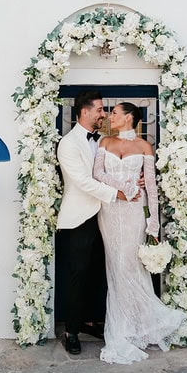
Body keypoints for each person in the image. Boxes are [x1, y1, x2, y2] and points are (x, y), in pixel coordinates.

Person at [92, 102, 186, 364]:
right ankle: (122, 328)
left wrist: (153, 224)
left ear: (129, 117)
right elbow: (97, 173)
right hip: (110, 210)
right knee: (116, 264)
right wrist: (124, 186)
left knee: (130, 264)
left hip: (135, 211)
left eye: (115, 113)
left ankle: (139, 324)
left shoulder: (144, 147)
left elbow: (152, 189)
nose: (111, 116)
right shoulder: (105, 143)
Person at [56, 90, 137, 356]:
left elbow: (111, 171)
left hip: (105, 216)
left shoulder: (102, 140)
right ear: (84, 112)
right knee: (77, 275)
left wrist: (135, 184)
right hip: (79, 217)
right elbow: (82, 181)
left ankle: (91, 321)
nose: (103, 114)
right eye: (100, 109)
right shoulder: (68, 144)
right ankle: (71, 332)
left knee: (97, 273)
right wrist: (118, 194)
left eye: (104, 110)